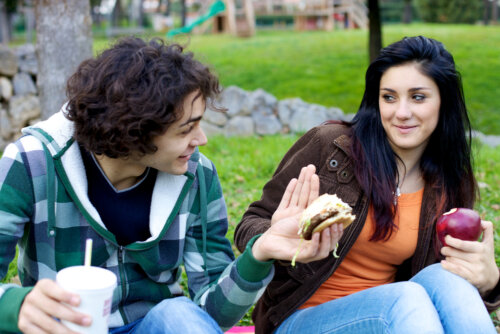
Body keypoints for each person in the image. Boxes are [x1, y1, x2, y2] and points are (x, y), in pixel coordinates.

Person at [0, 37, 340, 334]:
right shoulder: (31, 163)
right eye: (185, 129)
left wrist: (260, 252)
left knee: (179, 314)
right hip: (62, 329)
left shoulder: (197, 176)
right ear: (134, 129)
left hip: (154, 325)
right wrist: (16, 305)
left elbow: (210, 314)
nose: (201, 140)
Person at [235, 36, 500, 334]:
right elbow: (248, 226)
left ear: (444, 101)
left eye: (418, 97)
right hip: (301, 319)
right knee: (407, 297)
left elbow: (450, 299)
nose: (401, 112)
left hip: (399, 320)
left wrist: (489, 283)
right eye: (389, 97)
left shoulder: (448, 180)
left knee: (445, 277)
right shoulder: (331, 148)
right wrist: (276, 235)